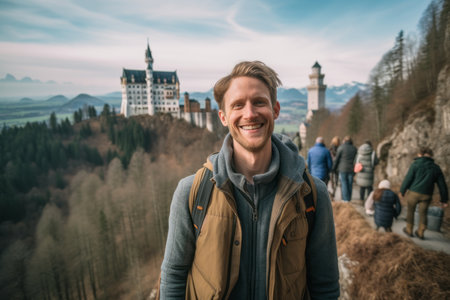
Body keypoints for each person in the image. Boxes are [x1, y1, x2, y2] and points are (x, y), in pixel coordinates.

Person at [159, 61, 340, 299]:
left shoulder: (311, 194)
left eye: (259, 102)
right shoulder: (192, 193)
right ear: (223, 117)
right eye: (238, 105)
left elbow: (324, 287)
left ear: (275, 109)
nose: (250, 114)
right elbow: (173, 277)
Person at [400, 147, 448, 240]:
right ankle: (421, 232)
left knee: (410, 211)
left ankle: (409, 230)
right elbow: (442, 185)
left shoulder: (415, 164)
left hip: (413, 193)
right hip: (427, 195)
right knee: (423, 213)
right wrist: (444, 199)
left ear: (421, 154)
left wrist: (403, 190)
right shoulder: (436, 168)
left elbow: (408, 179)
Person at [332, 136, 357, 202]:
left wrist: (333, 168)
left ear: (344, 141)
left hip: (342, 169)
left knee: (344, 183)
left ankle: (345, 199)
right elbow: (356, 160)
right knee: (350, 183)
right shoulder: (354, 148)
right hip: (351, 169)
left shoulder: (341, 148)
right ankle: (349, 198)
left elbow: (336, 160)